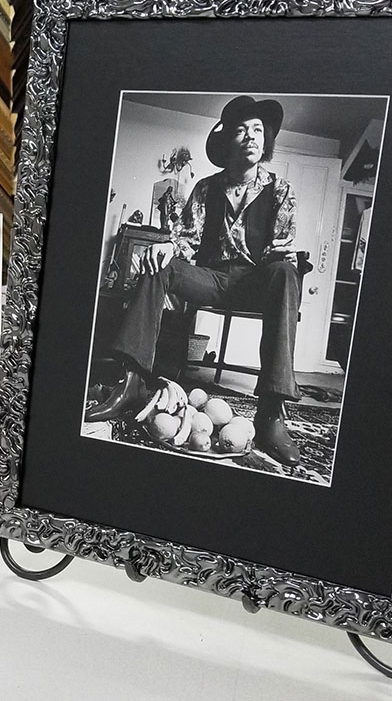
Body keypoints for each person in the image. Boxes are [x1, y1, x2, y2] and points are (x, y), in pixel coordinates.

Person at [86, 95, 303, 466]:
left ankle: (270, 413)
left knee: (285, 272)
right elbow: (187, 238)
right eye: (241, 130)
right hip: (211, 277)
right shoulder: (206, 188)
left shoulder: (280, 190)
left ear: (265, 141)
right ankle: (132, 381)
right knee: (159, 263)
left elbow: (280, 249)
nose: (251, 136)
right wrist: (168, 246)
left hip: (255, 281)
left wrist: (283, 260)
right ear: (228, 140)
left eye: (258, 130)